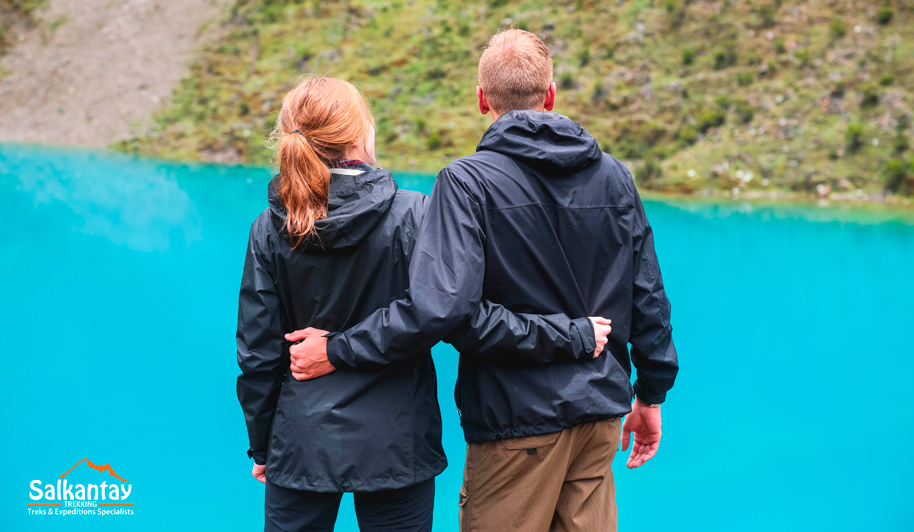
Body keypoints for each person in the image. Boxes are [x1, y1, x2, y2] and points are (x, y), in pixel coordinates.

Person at [288, 31, 679, 531]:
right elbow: (647, 294)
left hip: (516, 424)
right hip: (599, 416)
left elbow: (443, 311)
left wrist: (339, 350)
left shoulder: (465, 182)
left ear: (481, 99)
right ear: (551, 94)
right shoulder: (614, 175)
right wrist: (650, 394)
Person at [236, 76, 612, 532]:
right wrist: (568, 334)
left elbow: (258, 353)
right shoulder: (415, 213)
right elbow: (461, 320)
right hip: (397, 444)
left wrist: (263, 445)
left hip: (300, 442)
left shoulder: (270, 226)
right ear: (360, 135)